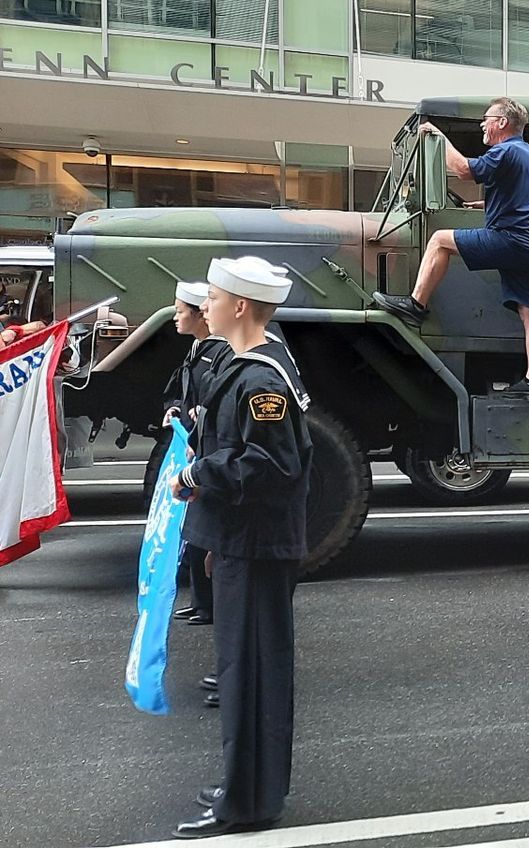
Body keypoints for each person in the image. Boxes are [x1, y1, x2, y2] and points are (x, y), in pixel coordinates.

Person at [166, 256, 311, 839]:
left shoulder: (260, 379)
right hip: (245, 541)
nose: (206, 306)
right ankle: (248, 784)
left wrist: (199, 476)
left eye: (215, 298)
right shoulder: (254, 362)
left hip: (255, 544)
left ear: (241, 307)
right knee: (249, 671)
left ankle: (246, 803)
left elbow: (273, 463)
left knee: (249, 675)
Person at [371, 97, 529, 400]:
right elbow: (522, 197)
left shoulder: (505, 150)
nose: (483, 123)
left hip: (511, 238)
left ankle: (415, 306)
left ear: (502, 122)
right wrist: (486, 204)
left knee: (440, 240)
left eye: (487, 118)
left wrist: (438, 137)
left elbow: (463, 170)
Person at [162, 282, 229, 631]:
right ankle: (201, 602)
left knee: (208, 530)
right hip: (195, 447)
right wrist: (174, 410)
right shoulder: (194, 350)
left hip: (208, 453)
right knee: (195, 530)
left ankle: (211, 605)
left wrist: (199, 424)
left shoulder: (218, 353)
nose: (175, 317)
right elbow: (180, 393)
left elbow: (214, 407)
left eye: (179, 310)